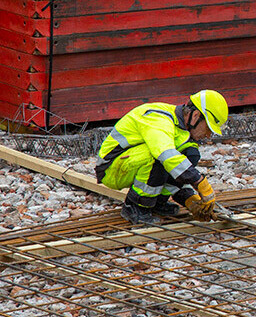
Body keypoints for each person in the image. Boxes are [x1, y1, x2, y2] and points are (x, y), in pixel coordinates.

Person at [95, 90, 229, 225]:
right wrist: (200, 183)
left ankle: (158, 202)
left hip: (129, 163)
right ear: (196, 116)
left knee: (189, 155)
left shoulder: (182, 131)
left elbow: (177, 170)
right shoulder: (159, 118)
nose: (208, 136)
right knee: (161, 156)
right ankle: (135, 207)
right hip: (112, 168)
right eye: (208, 129)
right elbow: (166, 155)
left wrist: (189, 199)